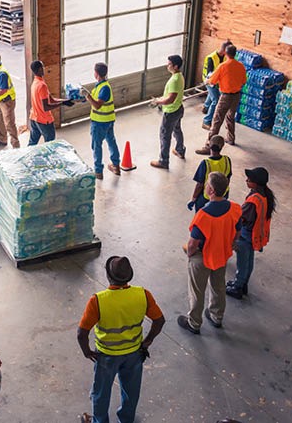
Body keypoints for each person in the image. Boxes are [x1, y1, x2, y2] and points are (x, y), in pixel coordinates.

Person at [77, 256, 165, 423]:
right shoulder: (143, 295)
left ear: (109, 277)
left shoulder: (98, 301)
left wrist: (87, 352)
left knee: (101, 393)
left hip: (106, 356)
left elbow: (81, 333)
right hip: (134, 353)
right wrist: (147, 341)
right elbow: (159, 320)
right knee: (131, 391)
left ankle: (99, 421)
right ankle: (126, 419)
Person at [177, 172, 242, 334]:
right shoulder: (234, 208)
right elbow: (238, 231)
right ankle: (216, 316)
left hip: (203, 257)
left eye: (207, 184)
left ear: (211, 190)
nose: (205, 186)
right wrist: (231, 244)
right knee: (218, 285)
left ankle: (194, 323)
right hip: (221, 253)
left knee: (197, 290)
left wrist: (190, 254)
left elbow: (193, 243)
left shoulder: (203, 216)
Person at [226, 167, 276, 299]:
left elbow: (242, 217)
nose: (246, 180)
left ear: (256, 183)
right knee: (249, 261)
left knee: (242, 262)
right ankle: (243, 284)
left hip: (246, 235)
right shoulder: (264, 195)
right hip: (254, 235)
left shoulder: (254, 200)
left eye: (250, 179)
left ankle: (237, 287)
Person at [195, 45, 247, 154]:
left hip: (226, 96)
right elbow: (243, 81)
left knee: (217, 119)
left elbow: (213, 81)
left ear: (225, 54)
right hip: (237, 95)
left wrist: (207, 81)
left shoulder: (223, 66)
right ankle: (231, 138)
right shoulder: (240, 66)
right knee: (230, 117)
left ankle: (209, 145)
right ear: (235, 53)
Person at [84, 62, 121, 180]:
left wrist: (87, 96)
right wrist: (86, 96)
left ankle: (98, 171)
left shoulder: (104, 88)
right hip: (108, 120)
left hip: (100, 122)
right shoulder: (101, 85)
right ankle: (116, 165)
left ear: (96, 73)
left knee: (97, 145)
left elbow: (97, 105)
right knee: (111, 141)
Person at [150, 55, 186, 169]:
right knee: (177, 130)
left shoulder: (175, 80)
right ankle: (180, 150)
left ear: (175, 66)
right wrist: (159, 99)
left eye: (169, 64)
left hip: (171, 112)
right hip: (178, 108)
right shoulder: (179, 76)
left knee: (165, 135)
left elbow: (171, 99)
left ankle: (163, 161)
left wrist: (158, 102)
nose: (167, 65)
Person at [28, 60, 71, 146]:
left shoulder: (36, 82)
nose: (44, 68)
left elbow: (51, 100)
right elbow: (46, 107)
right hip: (44, 120)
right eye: (43, 67)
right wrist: (62, 104)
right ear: (40, 69)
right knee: (50, 144)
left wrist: (65, 101)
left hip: (34, 117)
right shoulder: (42, 86)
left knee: (32, 143)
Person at [188, 135, 232, 212]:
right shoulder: (227, 160)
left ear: (209, 145)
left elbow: (199, 185)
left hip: (207, 197)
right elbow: (228, 178)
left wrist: (193, 199)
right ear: (222, 146)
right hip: (223, 194)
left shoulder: (205, 163)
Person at [0, 51, 20, 149]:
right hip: (1, 101)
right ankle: (2, 139)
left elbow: (4, 90)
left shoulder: (2, 73)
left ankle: (16, 146)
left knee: (9, 124)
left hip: (7, 102)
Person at [201, 40, 231, 130]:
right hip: (209, 81)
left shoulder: (225, 57)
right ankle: (206, 121)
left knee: (212, 95)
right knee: (216, 100)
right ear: (224, 50)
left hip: (217, 81)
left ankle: (205, 106)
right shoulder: (211, 58)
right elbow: (210, 74)